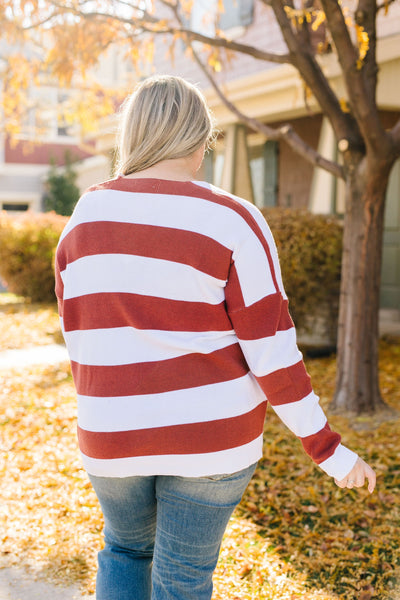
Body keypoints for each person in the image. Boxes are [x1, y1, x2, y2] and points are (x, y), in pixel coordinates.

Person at [55, 75, 376, 600]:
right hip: (211, 442)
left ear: (133, 135)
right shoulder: (233, 219)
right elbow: (271, 350)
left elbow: (81, 337)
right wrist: (327, 451)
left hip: (110, 435)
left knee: (125, 550)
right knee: (182, 576)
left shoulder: (82, 219)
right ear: (201, 139)